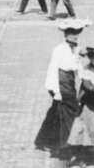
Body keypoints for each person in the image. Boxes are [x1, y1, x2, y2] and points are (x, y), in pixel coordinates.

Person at [34, 18, 89, 157]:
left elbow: (78, 67)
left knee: (56, 112)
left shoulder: (76, 48)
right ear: (65, 35)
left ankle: (43, 141)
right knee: (68, 112)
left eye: (77, 33)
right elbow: (53, 69)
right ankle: (64, 146)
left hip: (70, 83)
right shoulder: (59, 49)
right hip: (60, 83)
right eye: (72, 33)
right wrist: (55, 91)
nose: (75, 36)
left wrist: (87, 78)